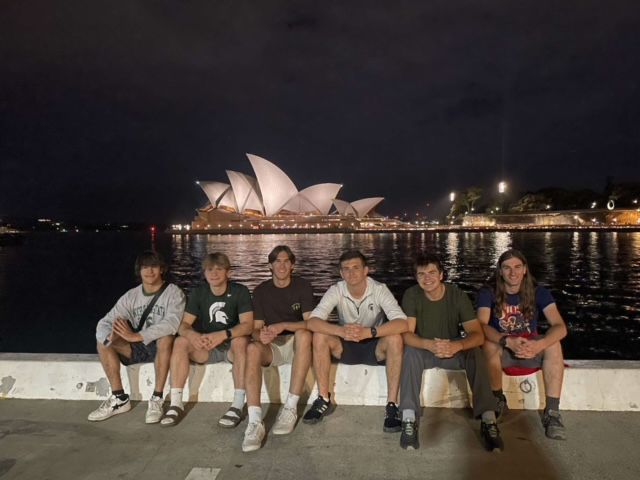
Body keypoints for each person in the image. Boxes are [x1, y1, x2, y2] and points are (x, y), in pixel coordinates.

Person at [398, 253, 503, 452]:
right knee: (410, 352)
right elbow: (406, 334)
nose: (427, 278)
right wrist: (428, 344)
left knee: (476, 353)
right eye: (421, 274)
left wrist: (457, 346)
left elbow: (477, 335)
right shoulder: (412, 295)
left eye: (431, 273)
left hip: (453, 349)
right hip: (425, 349)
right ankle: (409, 419)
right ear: (416, 278)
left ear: (441, 275)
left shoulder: (457, 295)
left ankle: (488, 421)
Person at [304, 250, 407, 432]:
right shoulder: (337, 289)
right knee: (319, 335)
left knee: (395, 338)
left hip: (374, 346)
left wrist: (370, 332)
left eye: (356, 268)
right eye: (346, 269)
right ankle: (323, 398)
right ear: (341, 273)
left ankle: (392, 406)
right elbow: (312, 321)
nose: (351, 273)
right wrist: (340, 331)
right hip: (346, 344)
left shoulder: (379, 289)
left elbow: (402, 323)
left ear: (366, 270)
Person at [477, 248, 568, 440]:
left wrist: (539, 344)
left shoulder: (539, 292)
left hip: (530, 348)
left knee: (554, 343)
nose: (513, 272)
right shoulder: (488, 292)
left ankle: (552, 412)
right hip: (503, 350)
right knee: (488, 344)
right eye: (507, 267)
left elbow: (560, 327)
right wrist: (506, 340)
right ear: (500, 271)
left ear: (525, 269)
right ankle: (497, 398)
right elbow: (481, 326)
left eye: (518, 267)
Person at [89, 250, 185, 423]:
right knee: (104, 342)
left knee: (166, 337)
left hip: (162, 349)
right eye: (145, 267)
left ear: (162, 269)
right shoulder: (130, 296)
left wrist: (137, 335)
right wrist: (109, 338)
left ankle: (157, 398)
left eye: (154, 266)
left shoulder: (174, 293)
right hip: (136, 348)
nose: (149, 271)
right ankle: (119, 398)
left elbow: (172, 323)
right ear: (139, 271)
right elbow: (105, 322)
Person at [160, 252, 253, 428]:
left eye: (219, 269)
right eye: (209, 269)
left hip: (232, 348)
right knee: (180, 342)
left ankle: (238, 404)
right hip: (207, 348)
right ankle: (176, 403)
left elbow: (248, 325)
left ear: (228, 273)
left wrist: (223, 334)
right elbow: (183, 325)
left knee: (241, 341)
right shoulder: (199, 293)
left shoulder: (240, 291)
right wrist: (193, 335)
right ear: (204, 273)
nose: (214, 273)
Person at [241, 246, 315, 452]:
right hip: (272, 345)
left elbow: (311, 323)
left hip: (297, 345)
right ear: (270, 265)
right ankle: (255, 421)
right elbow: (255, 329)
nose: (281, 265)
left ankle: (290, 407)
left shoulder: (303, 286)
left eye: (285, 261)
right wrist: (262, 335)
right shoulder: (261, 291)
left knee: (304, 333)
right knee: (252, 349)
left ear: (292, 265)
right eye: (277, 261)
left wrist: (283, 326)